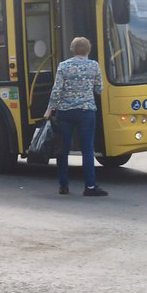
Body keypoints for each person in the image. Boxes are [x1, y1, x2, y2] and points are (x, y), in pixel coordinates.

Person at [44, 37, 108, 197]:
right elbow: (99, 89)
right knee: (87, 149)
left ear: (73, 49)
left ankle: (63, 185)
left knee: (63, 149)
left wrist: (49, 109)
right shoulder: (94, 66)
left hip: (65, 112)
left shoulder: (63, 66)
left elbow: (57, 90)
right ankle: (90, 187)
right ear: (88, 49)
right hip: (86, 111)